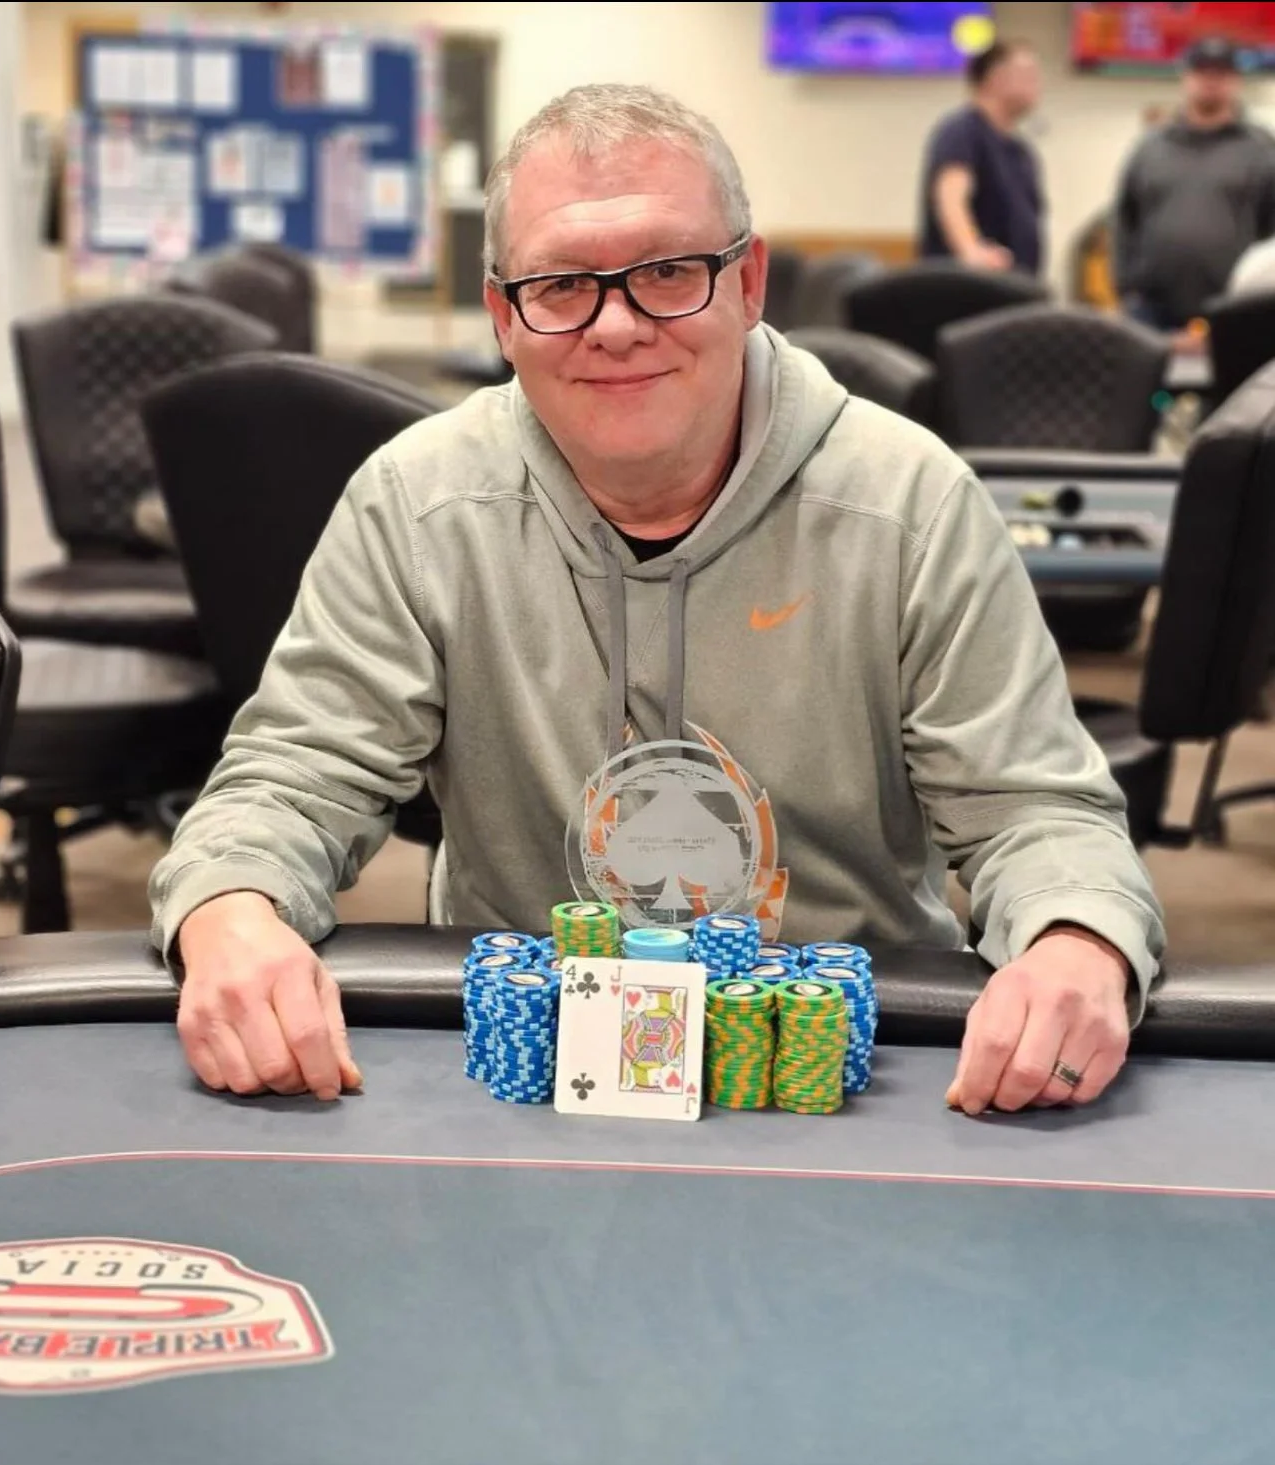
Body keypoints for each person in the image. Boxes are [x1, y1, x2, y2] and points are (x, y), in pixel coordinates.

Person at [151, 83, 1164, 1119]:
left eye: (670, 272)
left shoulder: (913, 503)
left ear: (750, 281)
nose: (618, 325)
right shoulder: (415, 503)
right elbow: (290, 778)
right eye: (560, 285)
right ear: (504, 316)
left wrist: (1077, 942)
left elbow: (1034, 810)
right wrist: (232, 907)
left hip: (856, 1087)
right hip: (525, 1085)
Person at [1113, 36, 1275, 332]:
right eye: (1202, 72)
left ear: (1236, 81)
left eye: (1221, 73)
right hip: (1152, 312)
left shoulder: (1262, 150)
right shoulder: (1150, 148)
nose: (1210, 81)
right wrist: (1127, 290)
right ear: (1185, 77)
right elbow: (1125, 221)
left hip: (1237, 309)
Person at [918, 38, 1046, 274]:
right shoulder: (962, 131)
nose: (1037, 84)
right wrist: (970, 249)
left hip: (1016, 285)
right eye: (1028, 75)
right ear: (995, 78)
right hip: (971, 289)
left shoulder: (1021, 151)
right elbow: (951, 197)